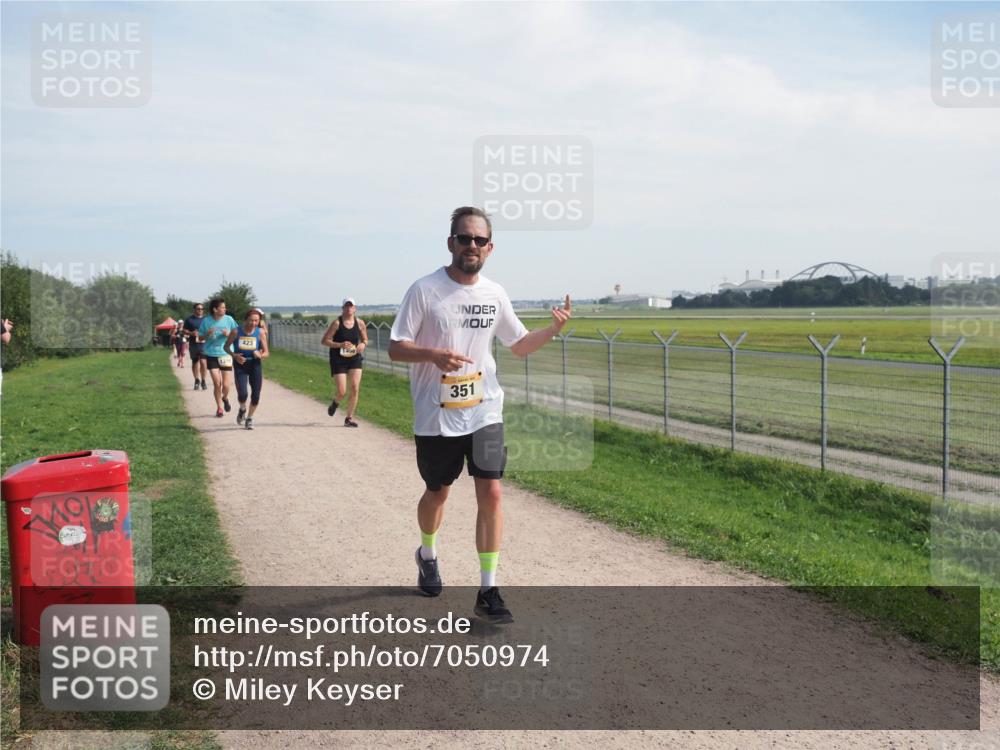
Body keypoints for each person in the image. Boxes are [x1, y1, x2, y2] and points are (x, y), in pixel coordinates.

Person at [388, 206, 571, 623]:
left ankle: (488, 589)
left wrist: (553, 330)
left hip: (484, 408)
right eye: (464, 238)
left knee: (491, 492)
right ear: (451, 243)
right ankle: (427, 552)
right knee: (438, 491)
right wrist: (432, 354)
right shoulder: (424, 290)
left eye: (479, 240)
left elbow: (519, 344)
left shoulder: (494, 293)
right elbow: (396, 347)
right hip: (436, 414)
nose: (471, 246)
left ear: (490, 248)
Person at [321, 298, 367, 428]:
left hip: (354, 358)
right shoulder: (336, 323)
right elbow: (324, 341)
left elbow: (365, 339)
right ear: (342, 308)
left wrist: (363, 344)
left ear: (355, 308)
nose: (348, 309)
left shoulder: (360, 323)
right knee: (342, 391)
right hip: (338, 358)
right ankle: (335, 403)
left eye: (351, 306)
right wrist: (340, 344)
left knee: (355, 387)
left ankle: (349, 418)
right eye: (346, 306)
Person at [225, 309, 269, 430]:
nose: (253, 323)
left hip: (255, 365)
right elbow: (226, 347)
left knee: (256, 395)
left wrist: (260, 355)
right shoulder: (235, 332)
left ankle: (249, 418)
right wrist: (235, 356)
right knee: (243, 394)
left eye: (256, 320)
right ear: (245, 320)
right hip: (241, 365)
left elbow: (266, 353)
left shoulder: (260, 332)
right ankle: (242, 409)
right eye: (251, 320)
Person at [198, 298, 238, 418]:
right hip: (211, 354)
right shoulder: (206, 321)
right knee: (217, 383)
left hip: (226, 353)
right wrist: (207, 334)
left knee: (226, 385)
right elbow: (200, 338)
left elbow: (237, 333)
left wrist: (229, 334)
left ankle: (225, 398)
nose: (225, 309)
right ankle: (219, 408)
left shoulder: (229, 319)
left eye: (225, 307)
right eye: (223, 307)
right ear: (215, 309)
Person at [183, 303, 209, 391]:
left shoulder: (207, 319)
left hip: (204, 344)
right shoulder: (189, 319)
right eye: (198, 309)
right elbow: (184, 330)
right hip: (193, 343)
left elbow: (211, 329)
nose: (200, 310)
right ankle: (196, 380)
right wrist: (191, 333)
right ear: (194, 309)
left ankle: (204, 380)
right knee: (195, 362)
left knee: (203, 362)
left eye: (202, 309)